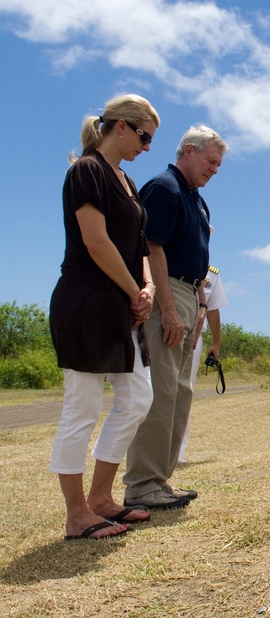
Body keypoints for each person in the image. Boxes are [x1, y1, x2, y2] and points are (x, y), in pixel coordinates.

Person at [49, 94, 160, 540]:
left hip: (124, 308)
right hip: (86, 304)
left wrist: (148, 286)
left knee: (136, 398)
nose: (147, 146)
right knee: (83, 405)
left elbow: (138, 247)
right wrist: (137, 292)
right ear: (120, 126)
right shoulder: (86, 171)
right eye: (144, 136)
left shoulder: (128, 183)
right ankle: (77, 514)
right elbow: (96, 243)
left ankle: (100, 498)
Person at [123, 125, 227, 510]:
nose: (215, 169)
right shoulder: (164, 187)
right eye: (211, 161)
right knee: (161, 392)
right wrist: (167, 308)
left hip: (189, 294)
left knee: (180, 392)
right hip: (166, 291)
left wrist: (199, 305)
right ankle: (141, 483)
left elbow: (198, 259)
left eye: (219, 164)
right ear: (188, 151)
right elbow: (151, 247)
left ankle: (159, 480)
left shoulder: (196, 200)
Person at [179, 262, 228, 462]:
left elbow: (213, 309)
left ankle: (178, 450)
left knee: (184, 389)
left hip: (194, 335)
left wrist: (216, 344)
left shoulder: (211, 274)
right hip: (162, 327)